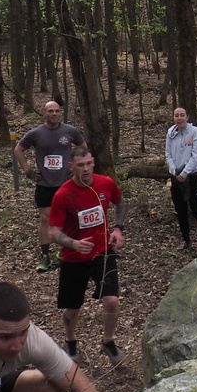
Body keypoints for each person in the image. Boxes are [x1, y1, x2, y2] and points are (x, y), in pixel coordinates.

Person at [48, 145, 127, 365]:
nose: (86, 169)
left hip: (102, 252)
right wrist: (74, 243)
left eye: (89, 164)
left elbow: (119, 202)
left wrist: (118, 228)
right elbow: (53, 232)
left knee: (111, 300)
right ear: (71, 167)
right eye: (80, 166)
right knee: (73, 307)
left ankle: (108, 341)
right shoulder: (63, 195)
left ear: (93, 162)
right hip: (74, 258)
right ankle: (70, 341)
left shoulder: (106, 183)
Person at [14, 100, 85, 272]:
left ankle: (65, 251)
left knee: (69, 218)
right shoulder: (35, 133)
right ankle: (45, 255)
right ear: (44, 113)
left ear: (61, 113)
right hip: (44, 183)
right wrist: (27, 170)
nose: (54, 114)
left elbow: (83, 148)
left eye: (57, 111)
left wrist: (77, 169)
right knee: (45, 219)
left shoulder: (70, 131)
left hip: (66, 183)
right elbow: (18, 150)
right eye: (50, 111)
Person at [165, 107, 197, 250]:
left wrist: (184, 173)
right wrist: (173, 170)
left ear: (187, 117)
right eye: (176, 115)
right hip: (176, 176)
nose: (179, 118)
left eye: (182, 115)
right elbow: (168, 154)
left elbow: (195, 155)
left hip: (192, 176)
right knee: (180, 209)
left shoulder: (194, 132)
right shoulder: (171, 133)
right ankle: (186, 240)